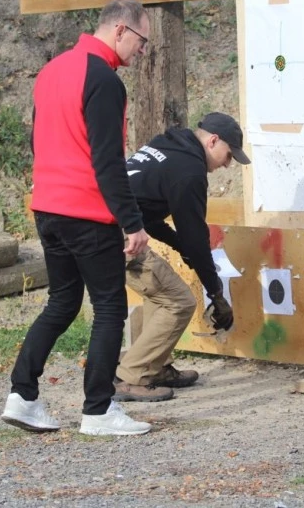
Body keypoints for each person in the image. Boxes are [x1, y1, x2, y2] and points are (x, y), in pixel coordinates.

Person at [2, 0, 153, 436]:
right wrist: (132, 222)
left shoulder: (52, 70)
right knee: (109, 306)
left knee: (63, 303)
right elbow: (109, 161)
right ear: (121, 30)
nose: (142, 52)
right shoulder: (104, 79)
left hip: (47, 205)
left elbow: (37, 141)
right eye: (142, 42)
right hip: (86, 210)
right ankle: (98, 411)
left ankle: (22, 395)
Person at [112, 112, 250, 402]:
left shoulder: (169, 144)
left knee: (161, 295)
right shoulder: (189, 172)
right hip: (116, 235)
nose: (226, 165)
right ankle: (131, 376)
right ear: (213, 141)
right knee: (179, 302)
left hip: (107, 226)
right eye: (228, 156)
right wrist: (216, 292)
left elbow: (147, 212)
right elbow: (196, 237)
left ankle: (155, 366)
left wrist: (180, 247)